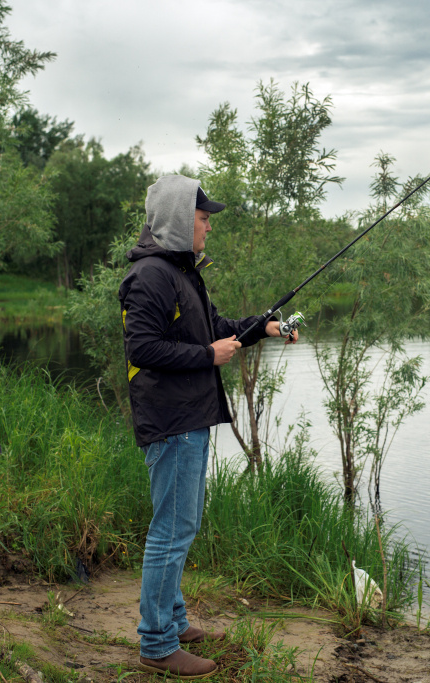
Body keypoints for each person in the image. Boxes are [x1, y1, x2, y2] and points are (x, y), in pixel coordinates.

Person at [119, 174, 297, 679]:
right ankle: (155, 643)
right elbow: (142, 349)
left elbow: (218, 330)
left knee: (182, 525)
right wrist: (205, 356)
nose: (208, 228)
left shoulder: (182, 272)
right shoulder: (152, 276)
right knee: (171, 531)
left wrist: (264, 327)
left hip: (189, 417)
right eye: (202, 219)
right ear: (179, 220)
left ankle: (173, 622)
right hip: (172, 421)